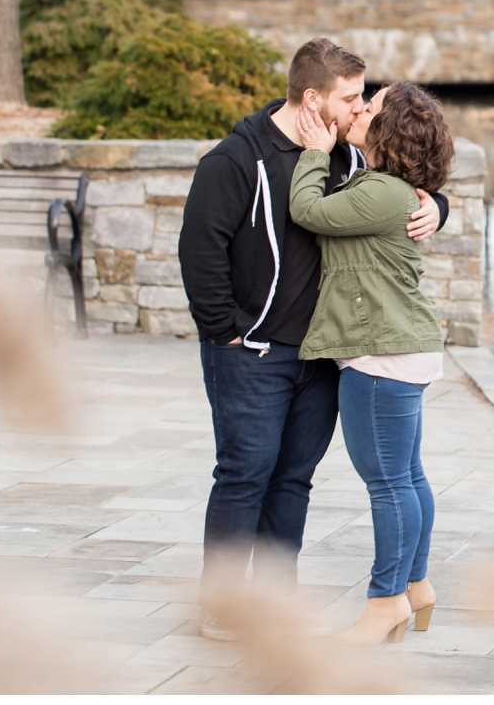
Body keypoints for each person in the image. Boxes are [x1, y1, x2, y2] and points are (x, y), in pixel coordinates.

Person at [178, 39, 449, 642]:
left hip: (323, 359)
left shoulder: (349, 158)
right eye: (351, 98)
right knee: (245, 474)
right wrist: (226, 332)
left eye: (363, 98)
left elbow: (400, 185)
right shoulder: (233, 161)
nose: (360, 110)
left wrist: (440, 207)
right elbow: (199, 253)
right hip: (250, 353)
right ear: (312, 99)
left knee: (293, 479)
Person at [288, 82, 451, 647]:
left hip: (381, 354)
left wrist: (312, 154)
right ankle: (416, 585)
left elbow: (308, 210)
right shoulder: (393, 187)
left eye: (372, 107)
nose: (360, 110)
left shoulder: (382, 191)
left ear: (389, 131)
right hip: (398, 347)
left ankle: (386, 602)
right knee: (406, 475)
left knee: (387, 484)